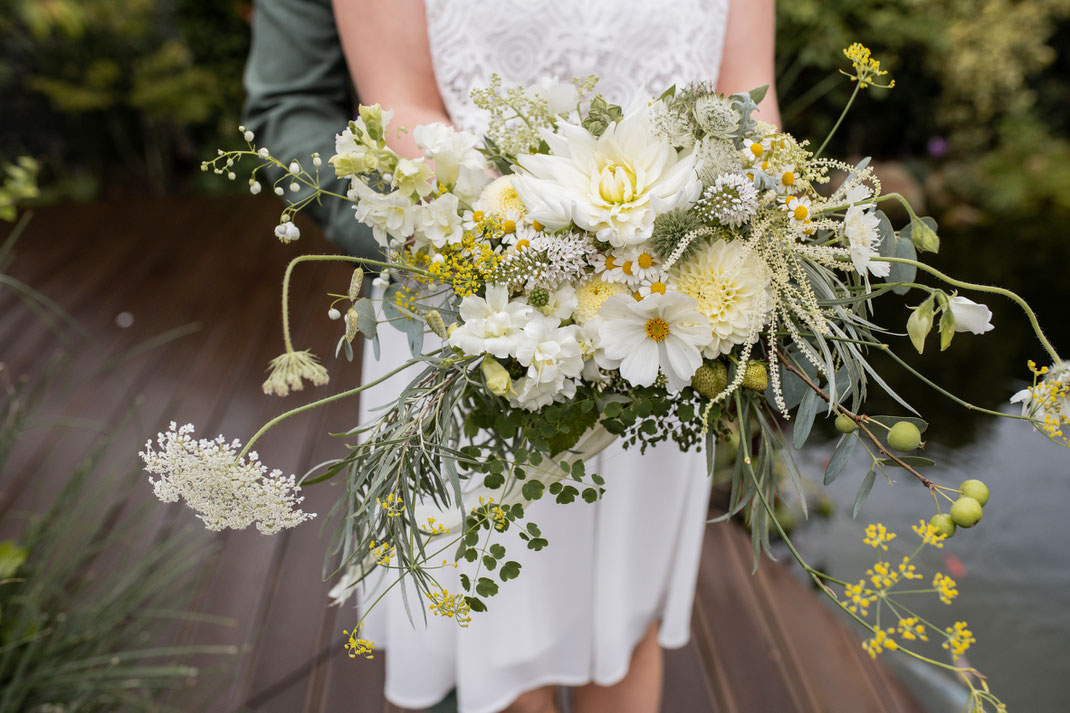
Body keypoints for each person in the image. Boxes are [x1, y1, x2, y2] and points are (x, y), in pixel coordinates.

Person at [244, 2, 779, 712]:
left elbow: (753, 101)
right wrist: (529, 264)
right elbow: (400, 105)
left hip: (668, 320)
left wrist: (745, 246)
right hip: (488, 306)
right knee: (499, 640)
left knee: (629, 611)